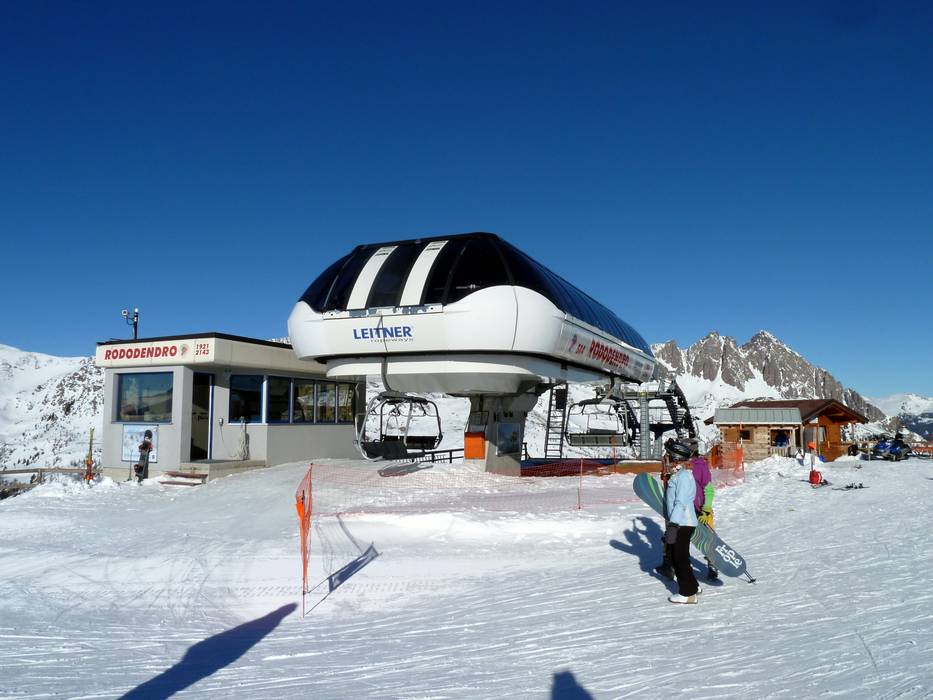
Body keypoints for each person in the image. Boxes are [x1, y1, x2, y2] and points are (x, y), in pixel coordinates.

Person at [666, 455, 700, 604]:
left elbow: (680, 502)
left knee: (679, 557)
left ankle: (688, 594)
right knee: (677, 556)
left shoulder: (684, 476)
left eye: (670, 459)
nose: (668, 462)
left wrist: (673, 524)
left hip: (683, 522)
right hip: (680, 521)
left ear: (676, 460)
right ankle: (693, 586)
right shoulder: (679, 475)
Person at [691, 454, 718, 581]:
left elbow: (709, 489)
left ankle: (713, 565)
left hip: (701, 509)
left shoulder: (700, 466)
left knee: (708, 538)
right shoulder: (677, 465)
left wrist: (706, 508)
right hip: (684, 511)